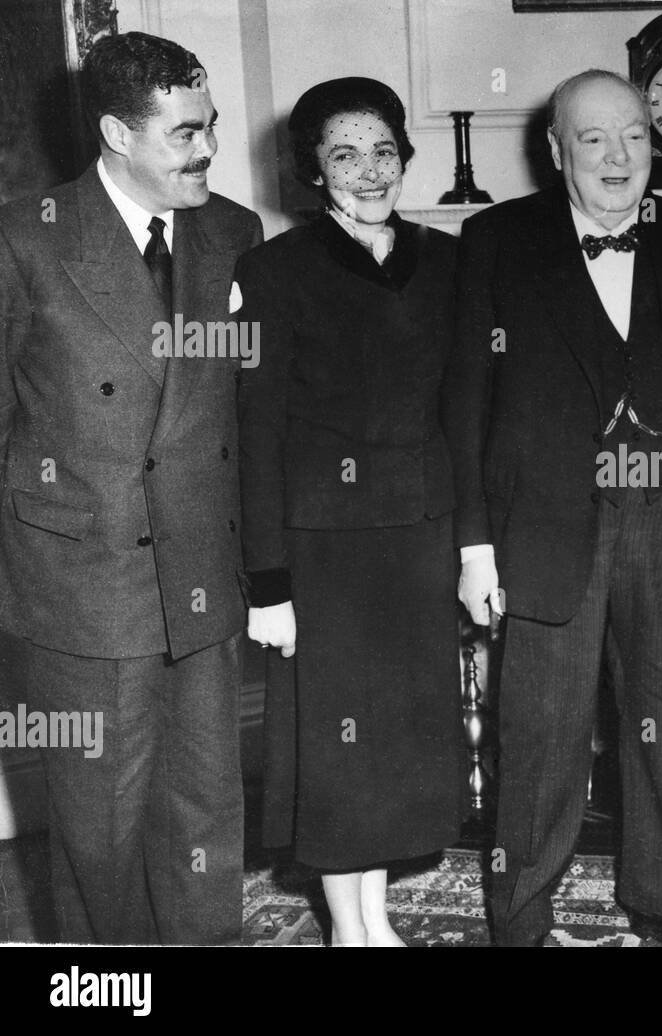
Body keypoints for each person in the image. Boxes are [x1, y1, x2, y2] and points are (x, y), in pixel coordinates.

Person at [444, 69, 662, 947]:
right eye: (593, 139)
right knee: (540, 731)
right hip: (544, 527)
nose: (618, 158)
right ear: (556, 154)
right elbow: (464, 403)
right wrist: (475, 548)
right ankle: (520, 913)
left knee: (659, 719)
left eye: (633, 137)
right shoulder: (496, 240)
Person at [0, 32, 261, 943]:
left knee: (204, 810)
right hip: (83, 580)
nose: (208, 151)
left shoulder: (234, 231)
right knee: (98, 826)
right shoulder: (23, 236)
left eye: (212, 126)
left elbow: (237, 414)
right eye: (185, 133)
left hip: (200, 568)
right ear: (117, 132)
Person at [236, 78, 467, 946]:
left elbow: (464, 407)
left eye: (382, 150)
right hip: (320, 549)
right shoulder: (271, 272)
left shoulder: (446, 261)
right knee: (337, 748)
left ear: (405, 156)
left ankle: (375, 917)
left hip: (419, 538)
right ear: (313, 172)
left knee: (395, 741)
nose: (368, 171)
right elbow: (254, 434)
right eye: (343, 153)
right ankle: (349, 928)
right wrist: (267, 582)